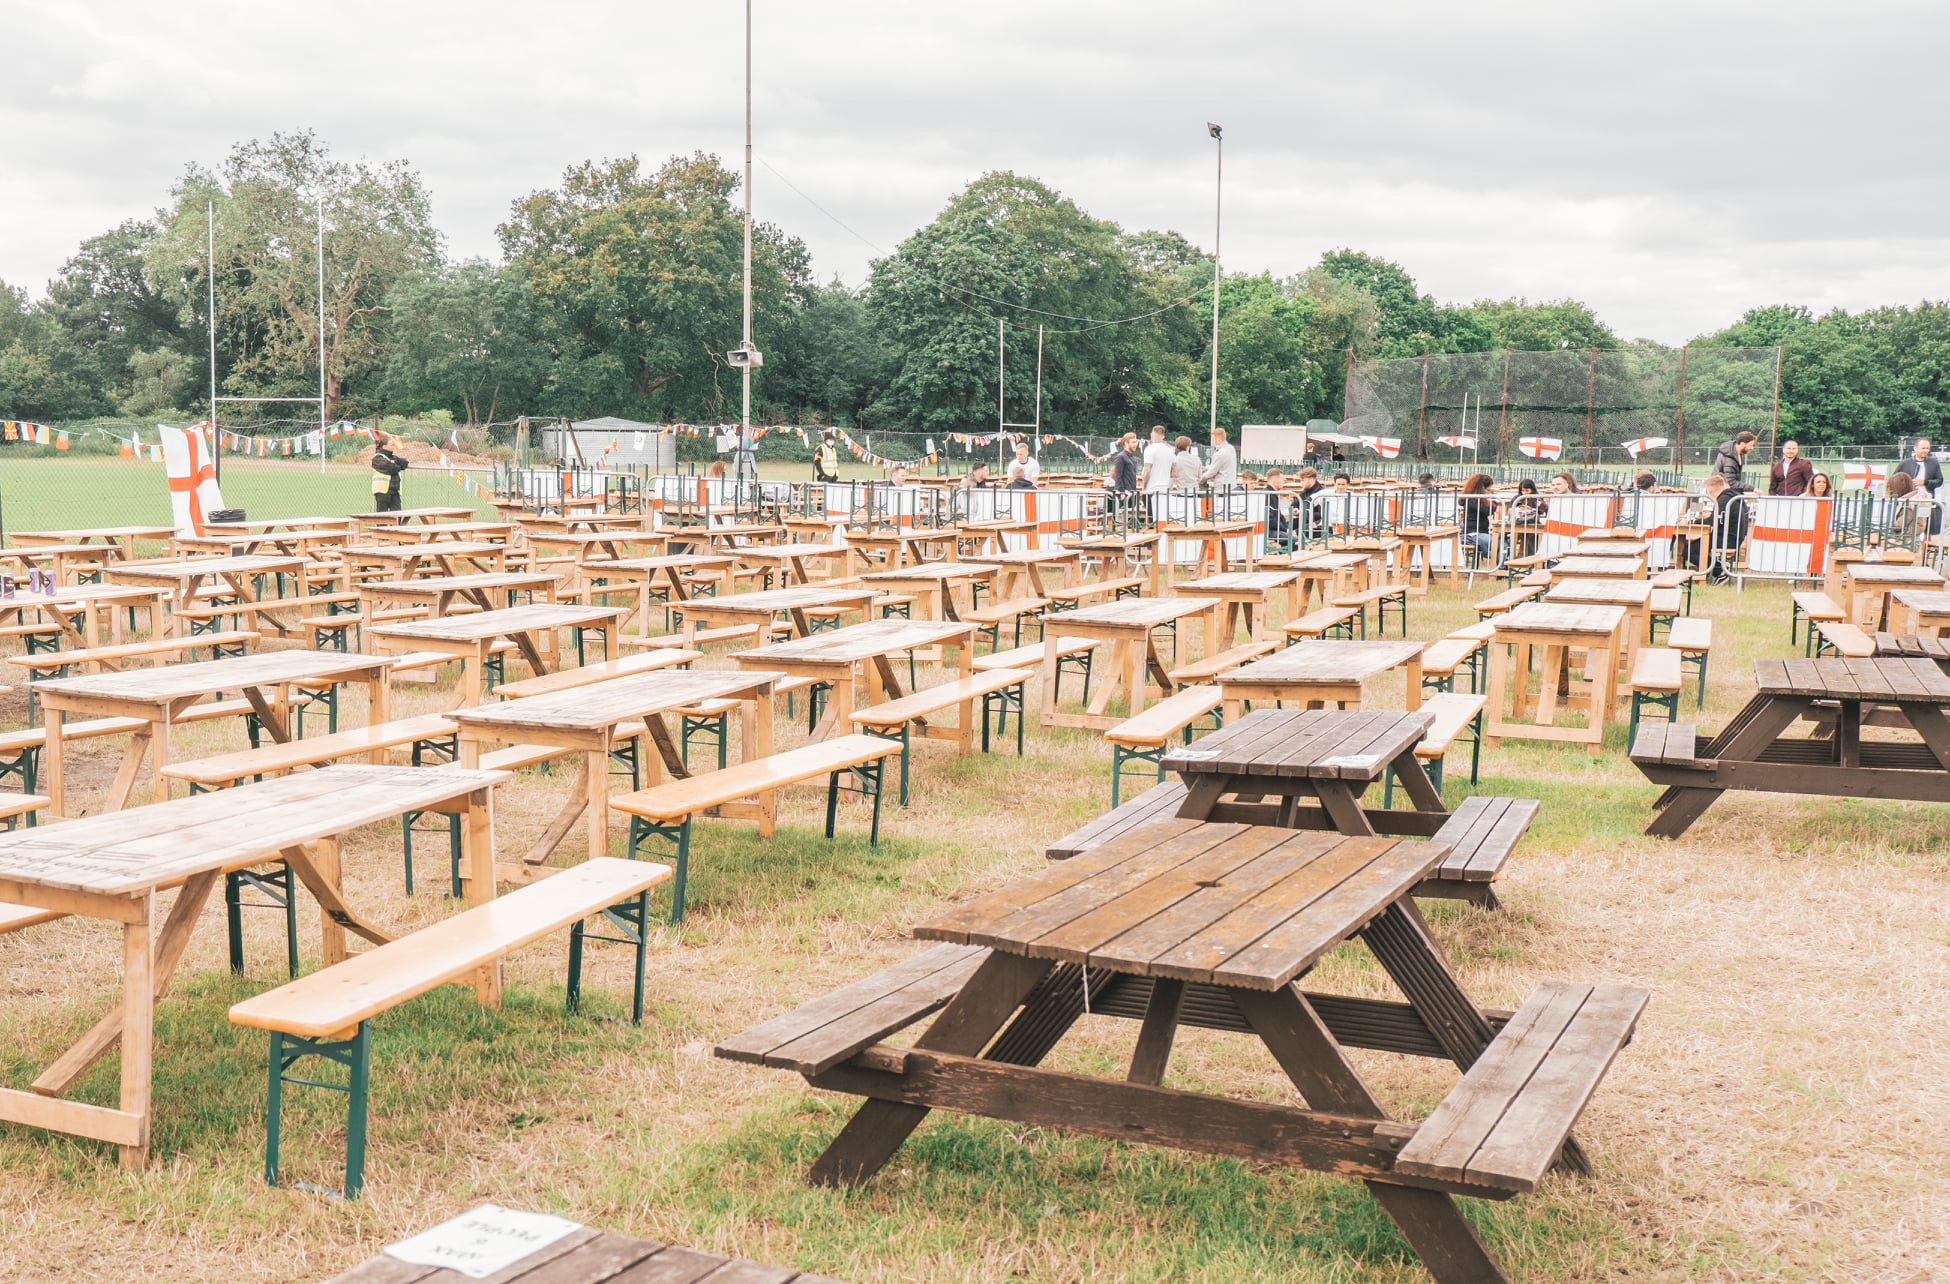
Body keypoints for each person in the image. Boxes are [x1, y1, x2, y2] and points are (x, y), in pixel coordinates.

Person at [1890, 437, 1944, 535]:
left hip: (1926, 497)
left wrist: (1924, 482)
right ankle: (1900, 529)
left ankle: (1899, 527)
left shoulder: (1933, 463)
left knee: (1921, 523)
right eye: (1923, 448)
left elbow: (1939, 481)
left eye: (1927, 448)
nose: (1925, 451)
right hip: (1909, 496)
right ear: (1915, 448)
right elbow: (1894, 479)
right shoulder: (1905, 463)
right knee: (1912, 509)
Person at [1138, 424, 1175, 518]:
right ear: (1163, 436)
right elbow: (1173, 472)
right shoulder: (1169, 450)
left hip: (1152, 489)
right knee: (1162, 518)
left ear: (1151, 435)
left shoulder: (1149, 449)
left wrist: (1144, 487)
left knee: (1151, 518)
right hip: (1165, 489)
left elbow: (1147, 470)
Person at [1458, 473, 1496, 563]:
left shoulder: (1472, 498)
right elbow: (1488, 510)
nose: (1488, 492)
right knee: (1498, 543)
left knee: (1502, 542)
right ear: (1481, 488)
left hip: (1479, 532)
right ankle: (1499, 569)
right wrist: (1494, 503)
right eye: (1488, 490)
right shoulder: (1473, 500)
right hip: (1473, 534)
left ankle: (1501, 568)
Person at [369, 432, 408, 513]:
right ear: (385, 446)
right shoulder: (377, 458)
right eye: (391, 445)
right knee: (382, 516)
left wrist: (396, 464)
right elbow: (390, 468)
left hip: (394, 490)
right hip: (382, 491)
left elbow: (405, 463)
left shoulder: (393, 457)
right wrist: (397, 466)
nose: (393, 446)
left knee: (397, 514)